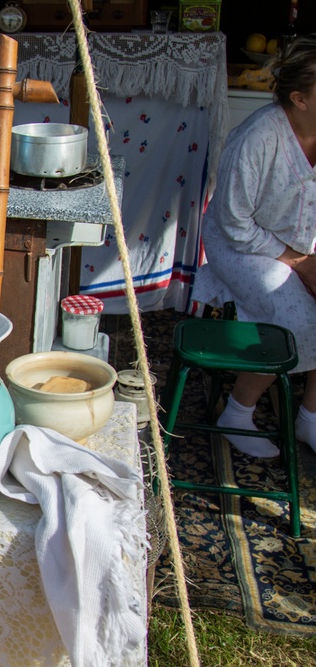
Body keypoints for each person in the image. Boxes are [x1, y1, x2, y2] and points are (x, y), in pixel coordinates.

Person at [192, 35, 316, 458]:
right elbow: (234, 222)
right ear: (299, 99)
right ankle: (237, 413)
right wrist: (301, 263)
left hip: (304, 245)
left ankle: (310, 419)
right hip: (241, 246)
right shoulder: (258, 137)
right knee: (294, 314)